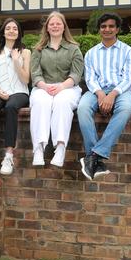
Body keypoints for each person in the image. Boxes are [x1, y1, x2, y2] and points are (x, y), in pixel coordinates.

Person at [77, 13, 131, 180]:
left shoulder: (128, 51)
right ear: (99, 30)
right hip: (97, 91)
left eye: (111, 26)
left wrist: (112, 95)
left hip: (122, 92)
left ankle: (94, 155)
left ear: (117, 29)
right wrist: (100, 93)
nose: (107, 29)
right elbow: (89, 78)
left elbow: (128, 79)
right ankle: (94, 157)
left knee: (125, 108)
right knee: (82, 108)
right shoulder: (90, 53)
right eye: (103, 26)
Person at [29, 12, 84, 168]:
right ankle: (38, 148)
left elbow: (76, 74)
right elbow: (35, 73)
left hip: (68, 88)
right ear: (47, 28)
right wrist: (44, 86)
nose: (55, 26)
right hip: (43, 87)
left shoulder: (74, 49)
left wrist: (61, 86)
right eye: (51, 24)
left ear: (64, 26)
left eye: (58, 23)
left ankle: (60, 148)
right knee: (41, 102)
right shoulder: (38, 50)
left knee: (62, 101)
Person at [0, 18, 31, 175]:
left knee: (11, 106)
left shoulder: (25, 52)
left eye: (15, 29)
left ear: (19, 33)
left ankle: (9, 155)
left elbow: (25, 79)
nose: (11, 31)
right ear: (3, 32)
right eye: (8, 28)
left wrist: (17, 61)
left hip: (19, 92)